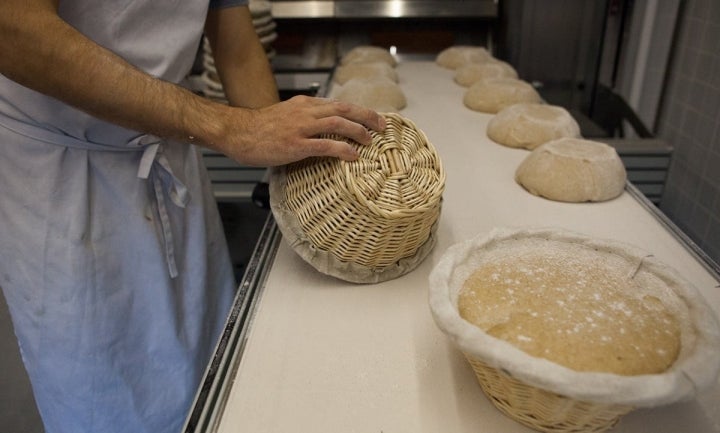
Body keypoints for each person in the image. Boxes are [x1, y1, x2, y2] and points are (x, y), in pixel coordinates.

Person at [0, 1, 385, 432]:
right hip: (69, 179)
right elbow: (16, 31)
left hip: (172, 151)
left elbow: (235, 44)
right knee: (107, 400)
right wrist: (230, 128)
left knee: (212, 374)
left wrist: (291, 166)